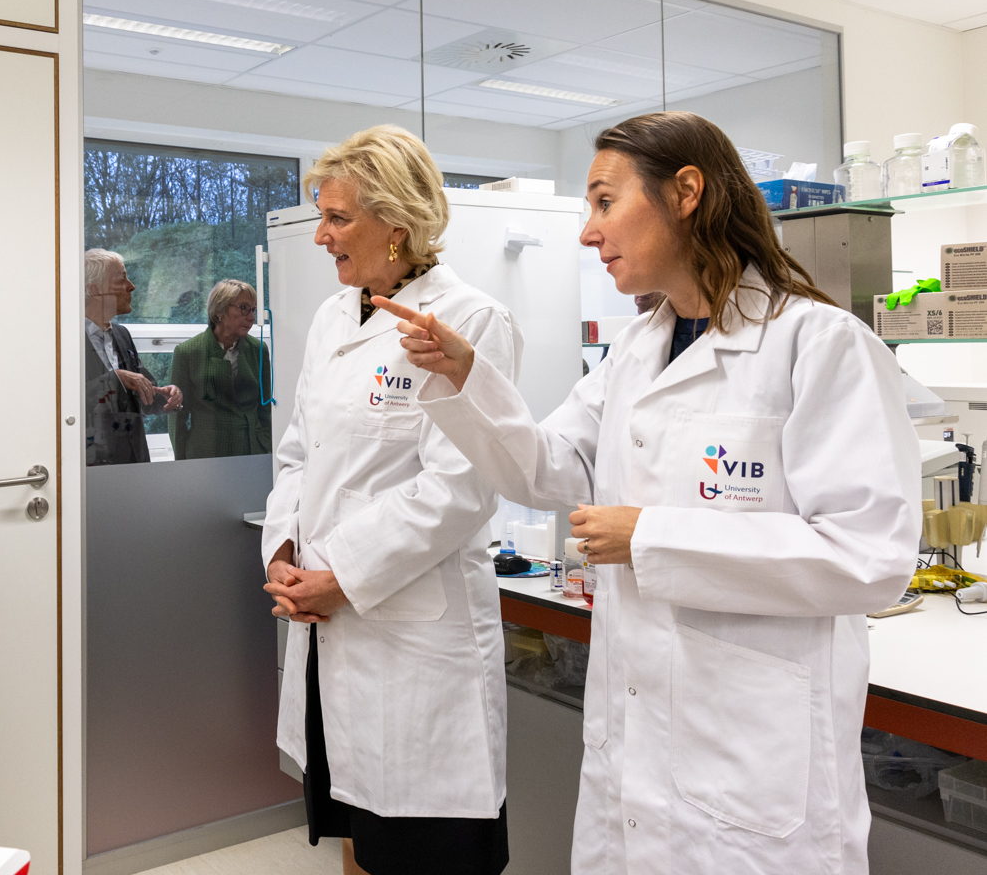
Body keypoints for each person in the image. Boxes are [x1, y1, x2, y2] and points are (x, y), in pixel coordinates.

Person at [376, 111, 919, 874]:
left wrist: (653, 539)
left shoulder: (819, 346)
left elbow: (871, 557)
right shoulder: (635, 349)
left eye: (604, 202)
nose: (588, 233)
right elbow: (548, 468)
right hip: (635, 750)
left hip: (752, 763)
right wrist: (468, 379)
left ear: (687, 191)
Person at [261, 125, 522, 875]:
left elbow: (461, 489)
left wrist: (340, 574)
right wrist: (284, 551)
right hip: (328, 625)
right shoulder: (335, 317)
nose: (320, 236)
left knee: (421, 847)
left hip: (412, 640)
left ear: (396, 227)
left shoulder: (469, 322)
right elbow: (299, 454)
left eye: (338, 217)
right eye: (322, 214)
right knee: (359, 837)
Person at [84, 248, 183, 465]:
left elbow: (142, 396)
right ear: (93, 289)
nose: (132, 286)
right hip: (90, 467)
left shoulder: (122, 335)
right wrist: (115, 378)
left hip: (133, 463)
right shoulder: (66, 342)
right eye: (122, 278)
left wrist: (163, 396)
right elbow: (66, 404)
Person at [169, 278, 273, 460]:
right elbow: (177, 415)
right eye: (243, 308)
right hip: (206, 454)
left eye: (253, 310)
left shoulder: (259, 349)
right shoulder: (187, 352)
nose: (250, 317)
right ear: (219, 311)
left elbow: (265, 409)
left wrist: (266, 447)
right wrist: (182, 461)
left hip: (252, 451)